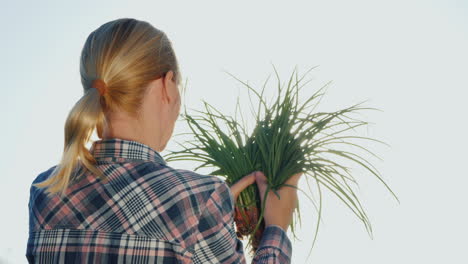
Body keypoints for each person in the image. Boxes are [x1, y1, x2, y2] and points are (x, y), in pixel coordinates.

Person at [26, 18, 302, 263]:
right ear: (167, 85)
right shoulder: (201, 197)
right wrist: (276, 229)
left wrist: (209, 215)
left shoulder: (45, 194)